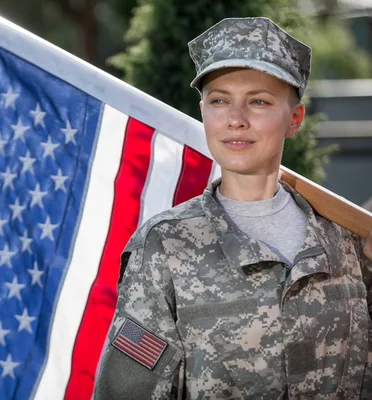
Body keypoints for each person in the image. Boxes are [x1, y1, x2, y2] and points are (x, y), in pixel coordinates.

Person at [94, 17, 372, 399]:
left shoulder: (348, 241)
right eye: (219, 100)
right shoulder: (166, 246)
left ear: (294, 119)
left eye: (259, 101)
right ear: (203, 111)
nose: (236, 120)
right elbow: (127, 392)